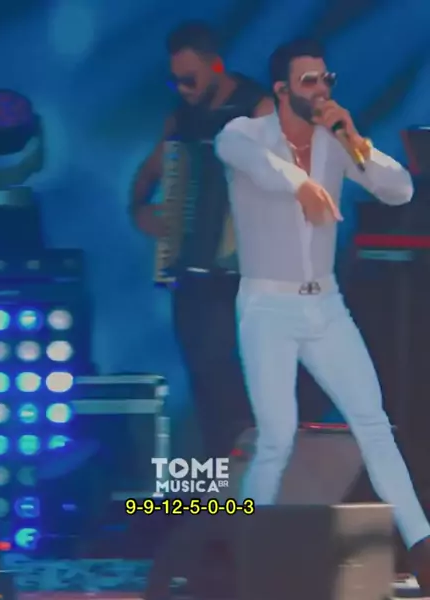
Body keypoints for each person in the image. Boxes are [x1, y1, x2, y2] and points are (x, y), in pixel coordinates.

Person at [215, 37, 430, 593]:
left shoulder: (336, 143)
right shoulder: (244, 134)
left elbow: (399, 190)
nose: (321, 89)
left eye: (326, 78)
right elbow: (256, 165)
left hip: (325, 304)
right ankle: (247, 552)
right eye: (309, 81)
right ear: (281, 89)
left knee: (373, 424)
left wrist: (354, 139)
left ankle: (423, 549)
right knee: (276, 436)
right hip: (267, 305)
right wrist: (302, 183)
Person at [129, 21, 274, 459]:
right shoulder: (182, 119)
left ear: (215, 66)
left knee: (234, 378)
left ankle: (251, 478)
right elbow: (148, 174)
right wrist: (140, 209)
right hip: (191, 271)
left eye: (189, 79)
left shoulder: (257, 108)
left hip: (246, 272)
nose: (183, 89)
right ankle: (219, 480)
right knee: (202, 375)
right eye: (175, 80)